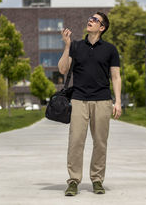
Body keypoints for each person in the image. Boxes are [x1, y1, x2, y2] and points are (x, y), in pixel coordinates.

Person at [58, 12, 122, 196]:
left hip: (102, 100)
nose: (90, 21)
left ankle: (97, 179)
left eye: (95, 20)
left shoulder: (110, 49)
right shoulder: (76, 46)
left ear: (102, 28)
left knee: (100, 143)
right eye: (90, 18)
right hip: (79, 100)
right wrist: (67, 46)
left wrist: (117, 101)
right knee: (75, 141)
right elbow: (63, 69)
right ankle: (73, 181)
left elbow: (116, 77)